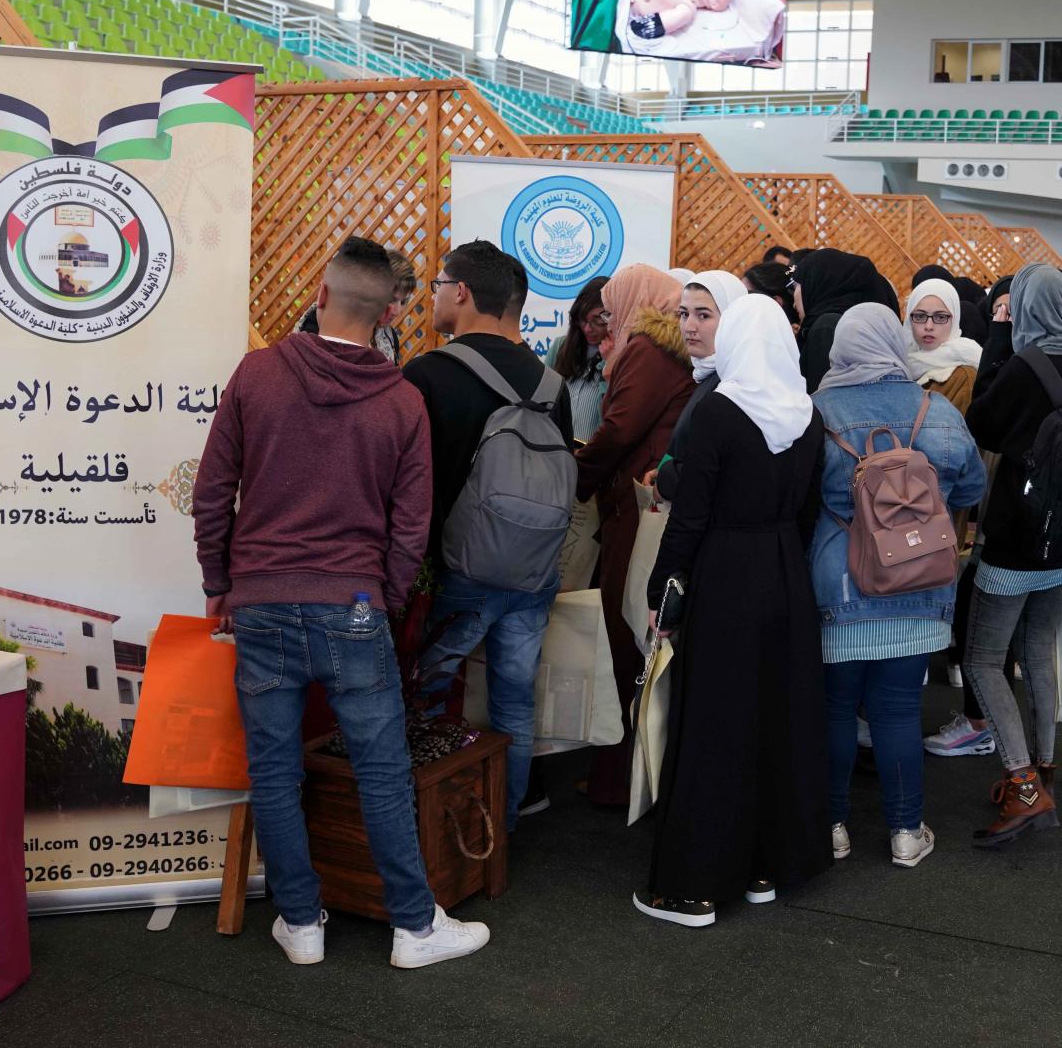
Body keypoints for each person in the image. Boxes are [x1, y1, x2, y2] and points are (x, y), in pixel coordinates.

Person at [193, 237, 488, 969]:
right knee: (382, 770)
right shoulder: (401, 400)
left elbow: (211, 494)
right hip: (353, 604)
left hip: (259, 602)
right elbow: (410, 524)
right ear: (391, 311)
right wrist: (384, 602)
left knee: (272, 769)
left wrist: (218, 585)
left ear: (320, 295)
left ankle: (301, 923)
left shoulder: (257, 374)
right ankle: (414, 929)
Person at [635, 295, 829, 926]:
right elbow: (805, 514)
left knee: (713, 727)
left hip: (724, 577)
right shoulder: (807, 414)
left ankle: (691, 885)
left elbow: (689, 520)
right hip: (786, 578)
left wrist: (662, 592)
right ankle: (763, 868)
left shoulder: (720, 412)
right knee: (775, 722)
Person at [404, 240, 577, 823]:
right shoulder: (552, 386)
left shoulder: (426, 374)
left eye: (437, 285)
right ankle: (498, 830)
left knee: (423, 696)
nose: (434, 296)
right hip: (532, 571)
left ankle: (421, 827)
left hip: (455, 570)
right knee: (513, 702)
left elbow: (407, 480)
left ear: (461, 292)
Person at [812, 304, 986, 868]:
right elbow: (969, 486)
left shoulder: (816, 411)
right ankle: (906, 832)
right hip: (919, 580)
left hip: (839, 583)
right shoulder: (935, 409)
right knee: (897, 711)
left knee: (835, 710)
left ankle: (831, 826)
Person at [960, 262, 1062, 846]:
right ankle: (1046, 769)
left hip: (1020, 538)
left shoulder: (1026, 366)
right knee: (1037, 647)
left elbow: (981, 423)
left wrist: (999, 340)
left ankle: (1024, 785)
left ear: (1023, 307)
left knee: (983, 658)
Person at [575, 265, 694, 807]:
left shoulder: (647, 348)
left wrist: (576, 473)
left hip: (638, 509)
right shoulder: (663, 349)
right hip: (647, 504)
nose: (604, 322)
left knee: (626, 635)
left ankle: (619, 780)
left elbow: (620, 428)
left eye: (609, 307)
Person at [653, 271, 747, 501]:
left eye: (703, 316)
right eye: (684, 314)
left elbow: (714, 471)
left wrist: (668, 480)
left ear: (732, 319)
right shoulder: (709, 374)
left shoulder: (733, 382)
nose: (689, 327)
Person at [793, 249, 899, 391]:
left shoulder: (827, 328)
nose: (794, 300)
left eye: (797, 285)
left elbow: (819, 399)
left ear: (818, 284)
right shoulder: (862, 324)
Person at [295, 244, 415, 363]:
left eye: (403, 301)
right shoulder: (319, 324)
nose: (397, 311)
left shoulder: (389, 336)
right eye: (391, 300)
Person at [903, 276, 983, 414]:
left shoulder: (964, 375)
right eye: (920, 316)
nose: (929, 326)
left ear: (955, 318)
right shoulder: (898, 362)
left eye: (940, 317)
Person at [549, 276, 611, 442]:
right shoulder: (560, 347)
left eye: (598, 321)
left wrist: (610, 363)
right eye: (583, 319)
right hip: (555, 453)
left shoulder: (619, 356)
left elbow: (613, 417)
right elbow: (542, 403)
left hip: (593, 458)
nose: (587, 328)